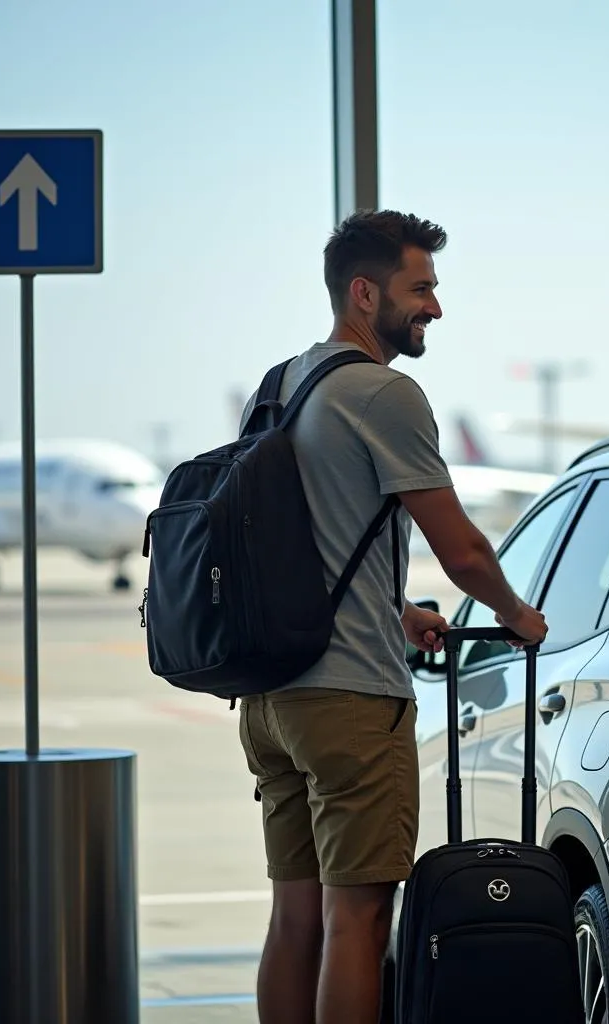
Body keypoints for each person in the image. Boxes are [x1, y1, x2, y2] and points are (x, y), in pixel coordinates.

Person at [236, 209, 549, 1024]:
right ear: (364, 292)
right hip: (349, 702)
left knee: (294, 919)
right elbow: (466, 553)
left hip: (273, 697)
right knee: (360, 920)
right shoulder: (384, 393)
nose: (435, 308)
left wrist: (395, 607)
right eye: (421, 290)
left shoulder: (282, 385)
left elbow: (299, 540)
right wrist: (518, 616)